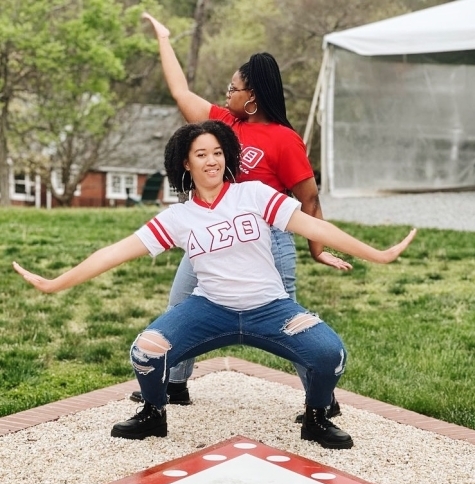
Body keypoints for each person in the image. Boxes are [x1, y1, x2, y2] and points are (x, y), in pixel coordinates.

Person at [13, 120, 416, 450]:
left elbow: (314, 225)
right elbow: (114, 252)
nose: (211, 161)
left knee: (330, 354)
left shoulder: (254, 195)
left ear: (227, 157)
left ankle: (316, 417)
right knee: (146, 352)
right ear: (186, 164)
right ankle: (154, 414)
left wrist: (376, 254)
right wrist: (56, 284)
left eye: (218, 152)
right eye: (201, 154)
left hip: (270, 308)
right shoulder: (179, 217)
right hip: (210, 310)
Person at [133, 13, 352, 415]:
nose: (226, 92)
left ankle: (323, 401)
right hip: (211, 234)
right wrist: (164, 38)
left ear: (251, 96)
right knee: (181, 303)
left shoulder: (285, 140)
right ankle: (174, 384)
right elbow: (180, 91)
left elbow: (310, 200)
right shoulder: (224, 124)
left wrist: (317, 248)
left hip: (267, 239)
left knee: (292, 319)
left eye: (232, 88)